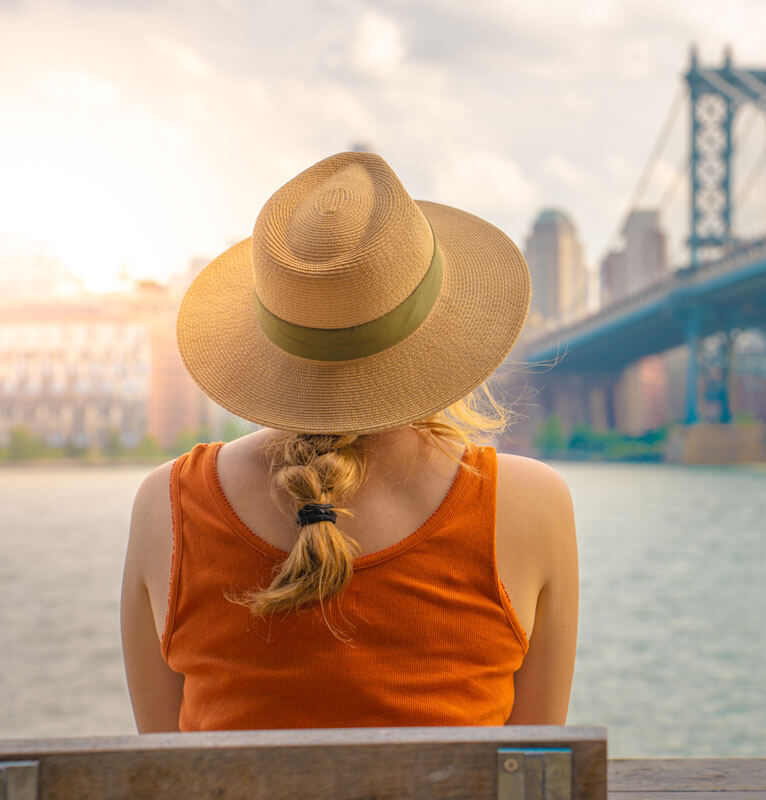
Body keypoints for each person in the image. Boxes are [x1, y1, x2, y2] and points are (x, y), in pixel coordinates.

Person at [120, 152, 578, 732]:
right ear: (439, 329)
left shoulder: (166, 504)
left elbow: (163, 773)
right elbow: (534, 771)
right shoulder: (531, 502)